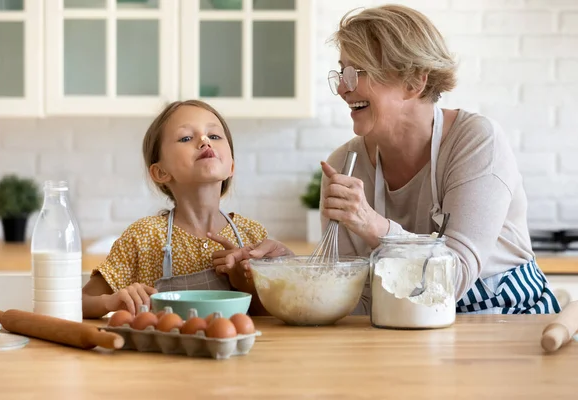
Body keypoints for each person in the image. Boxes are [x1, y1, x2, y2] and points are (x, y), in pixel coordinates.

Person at [230, 4, 560, 315]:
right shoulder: (345, 162)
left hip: (510, 326)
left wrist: (372, 225)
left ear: (414, 81)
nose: (344, 89)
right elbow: (355, 301)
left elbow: (453, 279)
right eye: (342, 73)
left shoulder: (475, 142)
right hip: (408, 328)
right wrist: (289, 270)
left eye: (356, 72)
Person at [82, 100, 269, 318]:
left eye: (215, 136)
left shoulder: (253, 237)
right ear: (161, 172)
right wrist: (111, 301)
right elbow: (80, 302)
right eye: (186, 138)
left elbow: (274, 316)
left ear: (231, 167)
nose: (204, 140)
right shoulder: (142, 237)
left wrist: (246, 284)